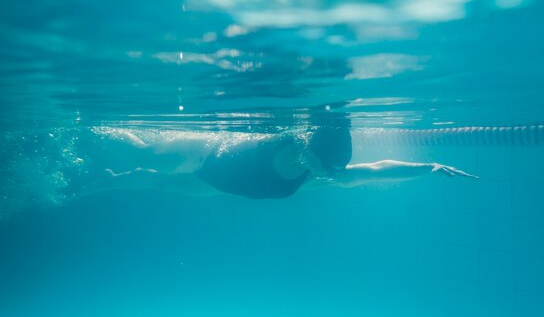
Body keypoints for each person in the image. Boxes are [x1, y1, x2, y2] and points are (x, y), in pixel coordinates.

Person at [80, 123, 477, 199]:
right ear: (308, 151)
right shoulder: (282, 140)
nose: (330, 177)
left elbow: (375, 170)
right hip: (207, 153)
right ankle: (95, 124)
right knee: (146, 155)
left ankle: (107, 181)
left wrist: (428, 167)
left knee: (160, 183)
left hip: (223, 186)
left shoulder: (319, 167)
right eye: (327, 168)